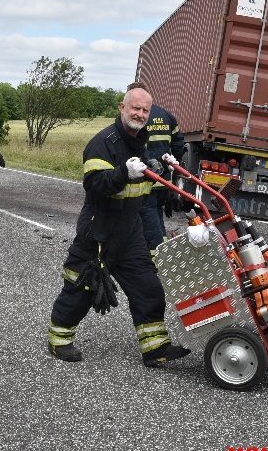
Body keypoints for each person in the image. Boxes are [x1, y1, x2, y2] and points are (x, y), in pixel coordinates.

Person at [47, 87, 190, 366]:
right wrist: (123, 173)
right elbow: (95, 185)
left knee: (147, 286)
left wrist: (160, 169)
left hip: (130, 229)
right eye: (135, 108)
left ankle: (155, 348)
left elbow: (142, 186)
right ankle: (59, 340)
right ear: (121, 107)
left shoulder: (141, 140)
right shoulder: (103, 143)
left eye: (145, 110)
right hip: (98, 230)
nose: (139, 114)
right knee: (81, 288)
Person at [127, 82, 184, 253]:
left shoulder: (138, 116)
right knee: (156, 212)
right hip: (165, 178)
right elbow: (178, 142)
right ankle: (163, 245)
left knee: (148, 213)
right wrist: (173, 166)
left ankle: (156, 253)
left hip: (147, 177)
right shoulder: (167, 115)